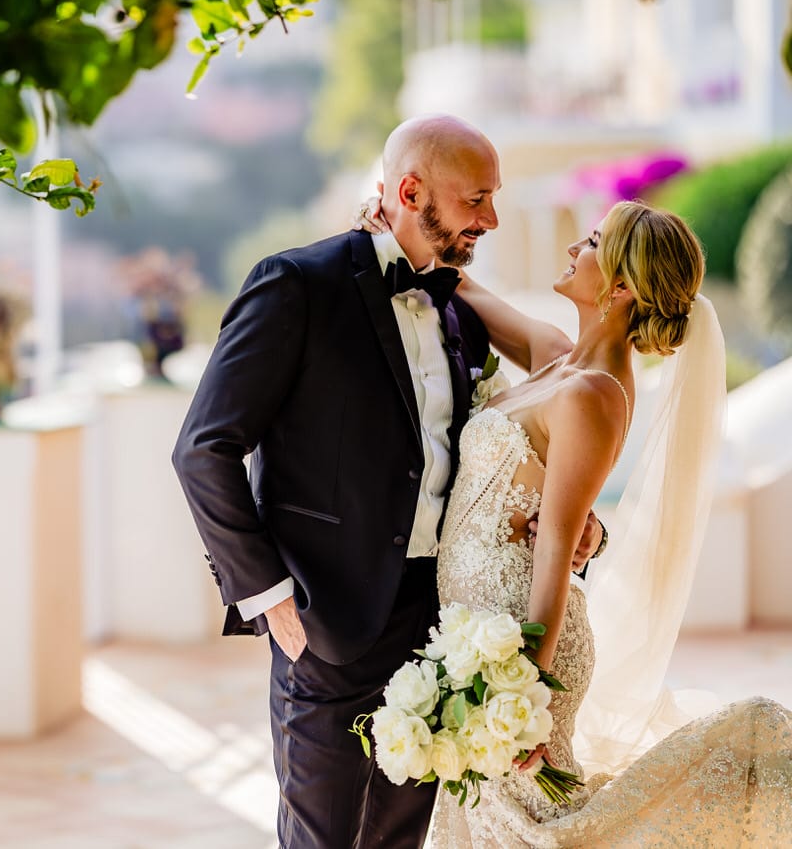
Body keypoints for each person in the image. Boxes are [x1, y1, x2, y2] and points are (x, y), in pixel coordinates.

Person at [171, 114, 603, 848]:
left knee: (400, 838)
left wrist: (561, 521)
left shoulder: (461, 314)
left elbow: (495, 449)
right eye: (477, 200)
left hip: (442, 627)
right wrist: (272, 598)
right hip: (324, 619)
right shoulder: (296, 286)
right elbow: (203, 448)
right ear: (410, 191)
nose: (492, 218)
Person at [359, 196, 792, 846]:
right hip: (481, 635)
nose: (572, 248)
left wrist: (522, 693)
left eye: (590, 240)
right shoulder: (560, 357)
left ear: (619, 286)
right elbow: (465, 285)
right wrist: (395, 232)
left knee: (530, 828)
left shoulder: (594, 395)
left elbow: (557, 547)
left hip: (521, 647)